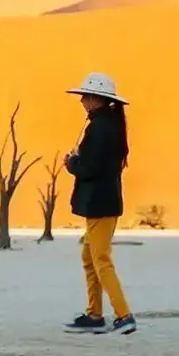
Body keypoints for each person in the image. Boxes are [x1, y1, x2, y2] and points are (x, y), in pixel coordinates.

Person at [63, 71, 134, 332]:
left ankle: (124, 315)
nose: (82, 100)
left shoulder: (99, 128)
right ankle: (94, 315)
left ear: (97, 99)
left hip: (99, 203)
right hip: (105, 201)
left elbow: (90, 168)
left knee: (100, 259)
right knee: (89, 256)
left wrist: (72, 163)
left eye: (86, 96)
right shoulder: (111, 125)